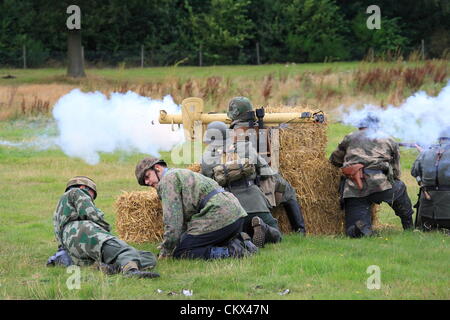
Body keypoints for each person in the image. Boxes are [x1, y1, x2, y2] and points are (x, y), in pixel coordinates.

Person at [135, 157, 258, 259]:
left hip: (220, 215)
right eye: (144, 182)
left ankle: (233, 252)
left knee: (182, 251)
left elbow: (173, 223)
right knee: (194, 241)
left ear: (157, 168)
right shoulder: (179, 173)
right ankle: (243, 243)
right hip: (235, 214)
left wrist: (167, 251)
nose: (147, 182)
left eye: (147, 176)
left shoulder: (167, 181)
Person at [51, 176, 160, 279]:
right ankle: (130, 271)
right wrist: (106, 231)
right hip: (83, 231)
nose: (91, 199)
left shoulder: (58, 211)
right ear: (83, 187)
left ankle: (111, 268)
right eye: (91, 196)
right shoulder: (77, 191)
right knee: (123, 249)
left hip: (72, 247)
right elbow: (91, 214)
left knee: (147, 257)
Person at [329, 114, 414, 238]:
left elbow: (335, 160)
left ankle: (361, 229)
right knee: (400, 188)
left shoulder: (349, 137)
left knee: (353, 229)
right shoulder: (388, 139)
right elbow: (396, 171)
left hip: (355, 189)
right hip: (381, 185)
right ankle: (409, 226)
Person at [201, 120, 282, 248]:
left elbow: (206, 186)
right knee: (276, 233)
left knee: (229, 233)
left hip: (230, 208)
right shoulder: (246, 147)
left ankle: (242, 237)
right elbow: (266, 172)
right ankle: (263, 227)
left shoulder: (207, 158)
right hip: (255, 203)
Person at [411, 126, 450, 233]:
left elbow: (414, 171)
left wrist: (422, 154)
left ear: (439, 138)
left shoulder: (426, 153)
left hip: (427, 211)